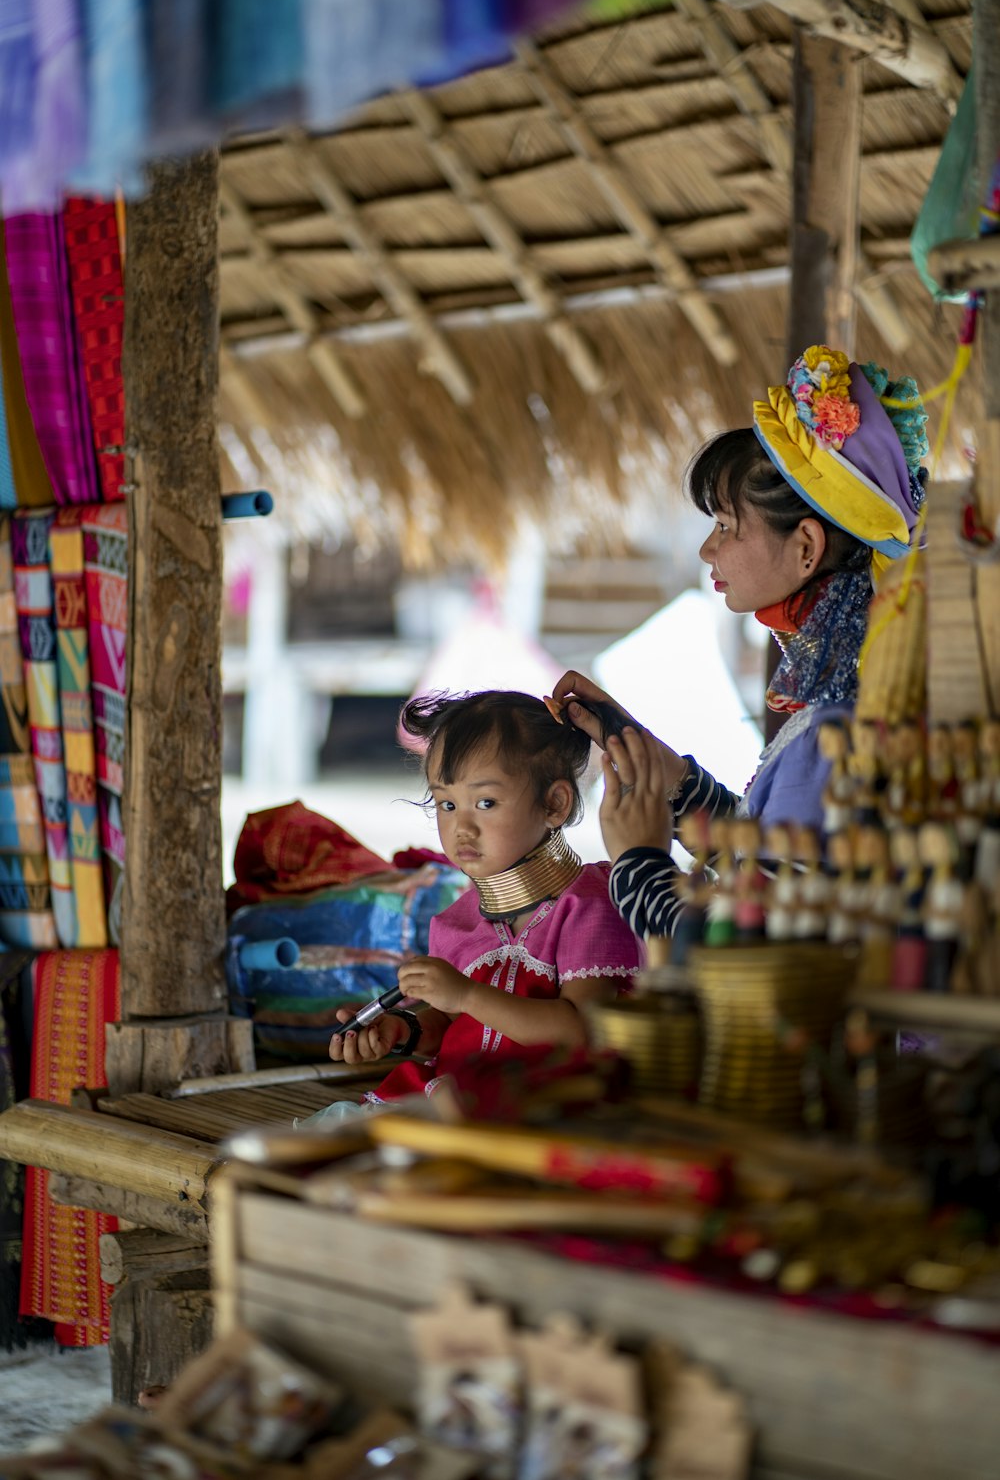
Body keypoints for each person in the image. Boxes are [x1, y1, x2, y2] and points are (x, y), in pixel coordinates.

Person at [550, 345, 929, 940]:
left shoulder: (838, 729)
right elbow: (768, 859)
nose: (708, 549)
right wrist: (643, 754)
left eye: (726, 526)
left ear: (806, 547)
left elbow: (755, 949)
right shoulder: (859, 694)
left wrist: (637, 861)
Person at [328, 689, 641, 1100]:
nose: (463, 828)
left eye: (486, 802)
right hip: (459, 1097)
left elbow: (582, 1031)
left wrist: (468, 993)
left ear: (555, 803)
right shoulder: (456, 921)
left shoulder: (588, 909)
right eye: (447, 804)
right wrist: (404, 1030)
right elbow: (454, 1023)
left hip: (549, 1104)